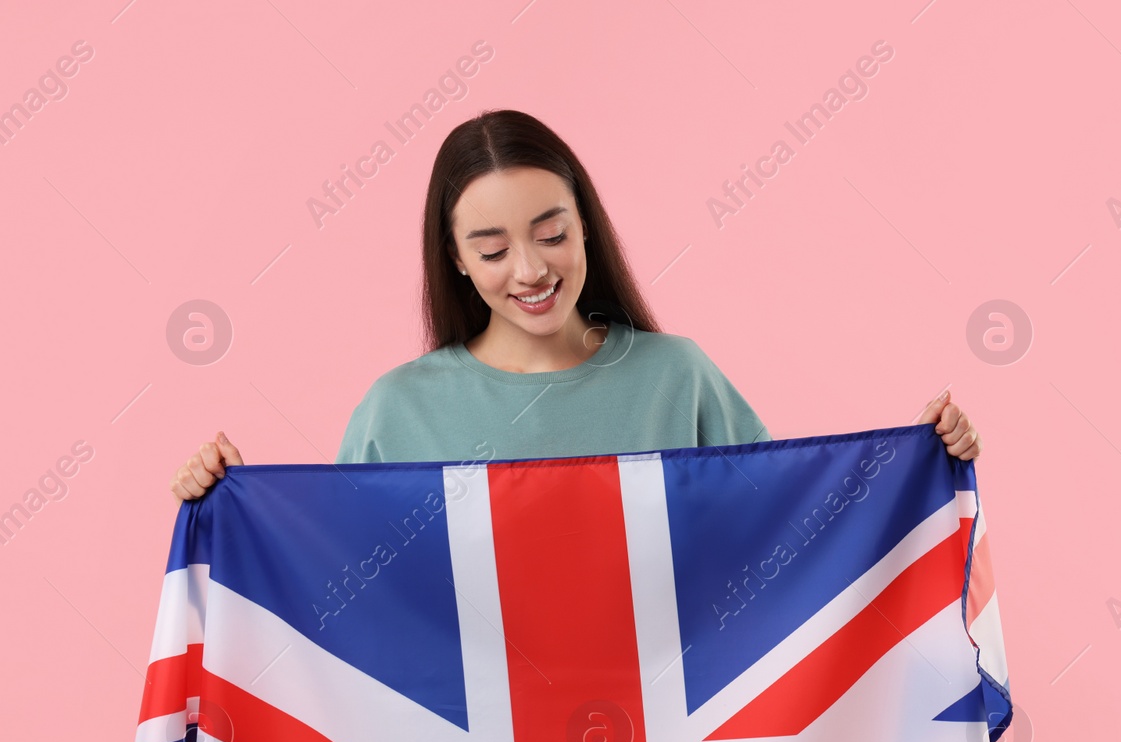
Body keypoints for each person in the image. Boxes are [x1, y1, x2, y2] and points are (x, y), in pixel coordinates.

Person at [169, 110, 981, 502]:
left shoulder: (678, 379)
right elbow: (334, 596)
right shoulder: (397, 410)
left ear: (585, 224)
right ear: (454, 260)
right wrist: (229, 512)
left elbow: (790, 526)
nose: (529, 269)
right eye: (491, 250)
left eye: (551, 233)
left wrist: (921, 465)